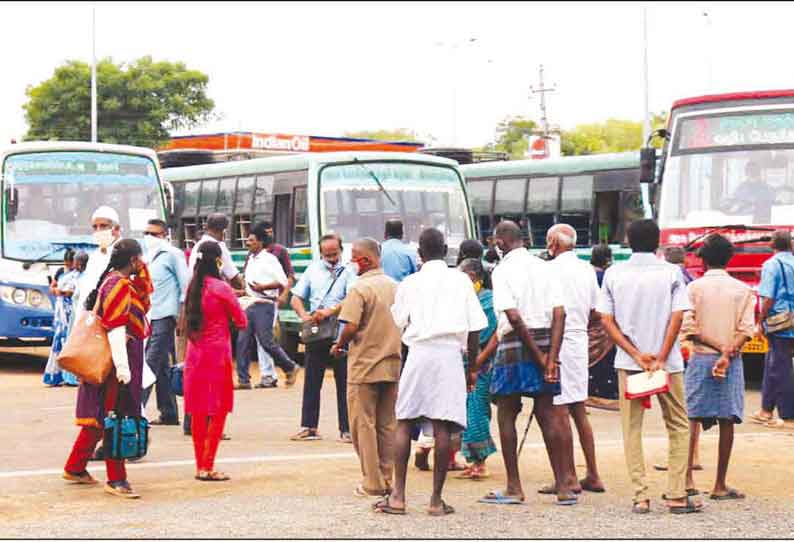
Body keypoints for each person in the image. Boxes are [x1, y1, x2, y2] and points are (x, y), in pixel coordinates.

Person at [375, 228, 486, 516]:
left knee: (404, 420)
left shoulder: (410, 283)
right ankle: (436, 501)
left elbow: (399, 321)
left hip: (419, 353)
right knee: (442, 427)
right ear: (446, 250)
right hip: (449, 355)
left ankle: (398, 497)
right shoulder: (461, 280)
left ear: (419, 254)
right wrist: (471, 368)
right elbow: (475, 328)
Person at [598, 219, 702, 514]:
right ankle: (676, 494)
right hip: (667, 364)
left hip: (630, 363)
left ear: (628, 241)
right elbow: (678, 317)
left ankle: (640, 495)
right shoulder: (671, 272)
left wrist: (635, 353)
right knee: (679, 425)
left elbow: (606, 320)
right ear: (657, 241)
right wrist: (660, 355)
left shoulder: (614, 273)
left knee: (631, 429)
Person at [480, 220, 577, 507]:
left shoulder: (502, 271)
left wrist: (539, 357)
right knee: (548, 414)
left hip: (516, 343)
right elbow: (560, 314)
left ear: (500, 243)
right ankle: (563, 487)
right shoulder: (545, 266)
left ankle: (514, 486)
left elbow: (513, 317)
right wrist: (551, 359)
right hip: (548, 339)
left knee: (507, 413)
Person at [62, 239, 153, 498]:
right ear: (133, 260)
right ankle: (116, 479)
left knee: (101, 417)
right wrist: (123, 368)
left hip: (117, 356)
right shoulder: (118, 285)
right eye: (139, 259)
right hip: (117, 359)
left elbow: (145, 298)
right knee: (118, 416)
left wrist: (141, 270)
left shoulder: (116, 281)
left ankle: (75, 467)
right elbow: (116, 329)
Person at [679, 233, 753, 500]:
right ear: (729, 259)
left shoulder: (693, 289)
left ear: (703, 260)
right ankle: (719, 484)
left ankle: (686, 478)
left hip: (701, 358)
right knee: (727, 419)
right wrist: (727, 350)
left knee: (692, 418)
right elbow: (746, 330)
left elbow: (689, 329)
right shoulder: (742, 290)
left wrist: (717, 348)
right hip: (730, 361)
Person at [331, 238, 401, 498]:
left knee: (363, 424)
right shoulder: (396, 287)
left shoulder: (360, 289)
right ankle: (386, 477)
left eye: (354, 258)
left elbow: (349, 325)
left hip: (364, 366)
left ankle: (372, 482)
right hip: (393, 362)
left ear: (367, 260)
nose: (352, 263)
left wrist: (339, 345)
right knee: (387, 425)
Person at [539, 224, 605, 494]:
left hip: (558, 342)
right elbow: (596, 312)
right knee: (578, 408)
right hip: (578, 340)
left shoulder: (548, 270)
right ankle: (593, 473)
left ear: (553, 243)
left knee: (559, 411)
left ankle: (567, 477)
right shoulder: (586, 270)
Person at [183, 241, 248, 481]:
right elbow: (241, 321)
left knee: (199, 411)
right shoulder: (221, 288)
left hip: (194, 354)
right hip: (217, 354)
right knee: (218, 409)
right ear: (218, 261)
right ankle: (208, 466)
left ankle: (200, 464)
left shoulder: (193, 287)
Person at [290, 233, 357, 442]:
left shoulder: (349, 271)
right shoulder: (313, 269)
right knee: (311, 380)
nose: (331, 258)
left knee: (344, 382)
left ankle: (347, 429)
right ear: (320, 253)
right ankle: (309, 426)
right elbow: (295, 298)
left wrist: (329, 312)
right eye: (327, 255)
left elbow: (352, 299)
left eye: (335, 254)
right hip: (316, 333)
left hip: (340, 334)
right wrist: (305, 317)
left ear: (341, 251)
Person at [184, 213, 243, 436]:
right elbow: (233, 275)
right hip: (214, 326)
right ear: (224, 231)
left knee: (194, 374)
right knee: (213, 379)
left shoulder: (198, 246)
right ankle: (210, 424)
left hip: (192, 311)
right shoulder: (216, 247)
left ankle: (191, 422)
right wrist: (241, 291)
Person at [235, 222, 298, 390]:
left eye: (251, 240)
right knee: (242, 341)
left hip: (265, 304)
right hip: (249, 303)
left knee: (266, 341)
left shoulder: (270, 259)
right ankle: (243, 379)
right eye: (247, 240)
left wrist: (263, 288)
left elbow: (283, 281)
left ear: (260, 243)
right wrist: (242, 291)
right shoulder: (250, 259)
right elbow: (248, 282)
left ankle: (289, 366)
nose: (247, 243)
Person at [139, 219, 189, 426]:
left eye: (154, 233)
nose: (149, 237)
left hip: (166, 315)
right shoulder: (147, 257)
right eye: (147, 232)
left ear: (164, 235)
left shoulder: (173, 254)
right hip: (150, 315)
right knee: (160, 366)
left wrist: (182, 317)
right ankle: (168, 412)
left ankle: (135, 408)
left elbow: (185, 286)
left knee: (149, 362)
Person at [457, 258, 498, 481]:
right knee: (469, 410)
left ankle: (480, 462)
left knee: (477, 411)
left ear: (474, 277)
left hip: (483, 364)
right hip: (468, 361)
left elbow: (495, 334)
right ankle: (473, 460)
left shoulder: (489, 301)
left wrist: (478, 360)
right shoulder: (469, 300)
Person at [754, 229, 794, 429]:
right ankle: (766, 410)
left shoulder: (772, 265)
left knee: (781, 368)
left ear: (772, 244)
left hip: (781, 322)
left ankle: (788, 416)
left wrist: (760, 320)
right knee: (773, 364)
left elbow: (768, 297)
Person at [75, 206, 123, 318]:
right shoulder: (95, 256)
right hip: (92, 319)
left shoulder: (126, 253)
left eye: (103, 226)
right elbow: (86, 291)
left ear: (116, 228)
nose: (98, 230)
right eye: (95, 227)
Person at [587, 244, 618, 406]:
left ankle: (592, 391)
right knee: (605, 359)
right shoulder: (607, 277)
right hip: (604, 325)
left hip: (590, 324)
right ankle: (606, 393)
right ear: (607, 259)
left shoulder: (587, 275)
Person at [43, 249, 79, 387]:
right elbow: (52, 288)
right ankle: (56, 375)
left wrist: (64, 292)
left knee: (70, 340)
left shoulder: (79, 274)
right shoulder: (60, 272)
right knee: (59, 340)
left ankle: (70, 376)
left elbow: (75, 290)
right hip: (61, 311)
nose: (71, 266)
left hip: (72, 309)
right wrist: (56, 291)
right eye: (69, 263)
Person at [380, 219, 418, 283]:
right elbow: (415, 274)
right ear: (402, 235)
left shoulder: (377, 250)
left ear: (385, 235)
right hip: (404, 290)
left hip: (383, 290)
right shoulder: (410, 251)